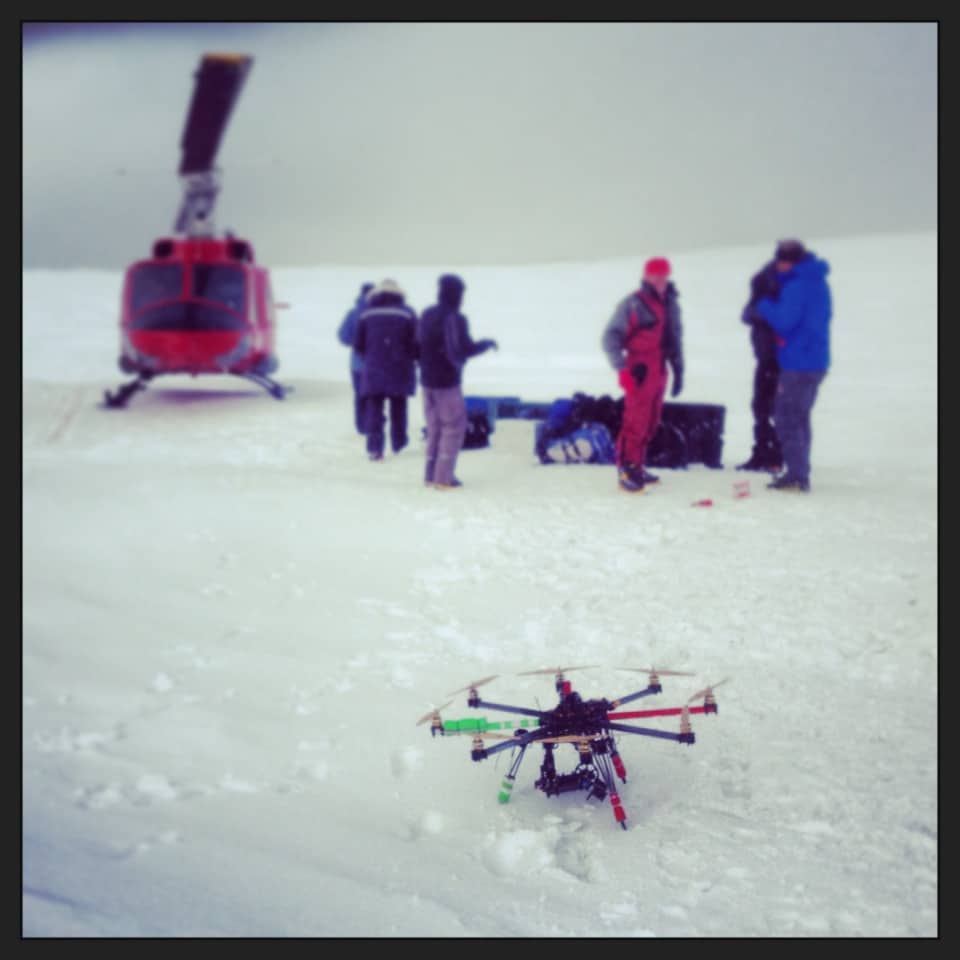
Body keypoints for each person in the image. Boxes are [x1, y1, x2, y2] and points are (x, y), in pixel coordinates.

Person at [753, 239, 831, 492]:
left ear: (792, 261)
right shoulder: (817, 282)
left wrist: (764, 304)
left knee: (787, 417)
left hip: (798, 363)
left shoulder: (797, 287)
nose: (780, 265)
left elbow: (784, 321)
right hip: (815, 360)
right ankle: (800, 470)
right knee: (800, 416)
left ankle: (797, 475)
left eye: (783, 260)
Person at [601, 257, 684, 493]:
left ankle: (638, 465)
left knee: (651, 421)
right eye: (654, 274)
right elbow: (610, 338)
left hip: (660, 369)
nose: (659, 279)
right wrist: (622, 368)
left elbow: (675, 338)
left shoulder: (671, 303)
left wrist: (678, 370)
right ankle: (626, 470)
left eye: (663, 274)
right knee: (635, 422)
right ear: (646, 276)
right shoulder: (634, 303)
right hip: (640, 369)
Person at [416, 273, 498, 489]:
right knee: (452, 427)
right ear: (457, 294)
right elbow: (464, 349)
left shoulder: (427, 314)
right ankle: (443, 478)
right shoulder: (456, 318)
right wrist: (486, 344)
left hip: (426, 380)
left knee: (434, 428)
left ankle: (430, 475)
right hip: (447, 382)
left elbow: (416, 346)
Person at [353, 278, 419, 461]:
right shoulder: (407, 313)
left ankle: (375, 449)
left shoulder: (366, 314)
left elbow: (358, 345)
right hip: (400, 368)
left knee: (374, 409)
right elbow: (416, 343)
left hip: (374, 368)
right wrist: (410, 356)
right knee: (399, 407)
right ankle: (399, 444)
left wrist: (372, 355)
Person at [736, 259, 784, 472]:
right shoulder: (760, 295)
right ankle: (762, 452)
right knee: (760, 407)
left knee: (777, 408)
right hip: (764, 359)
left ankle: (776, 455)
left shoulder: (786, 294)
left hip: (781, 360)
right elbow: (746, 315)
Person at [337, 281, 374, 435]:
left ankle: (361, 426)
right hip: (376, 363)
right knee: (374, 396)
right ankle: (373, 423)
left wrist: (355, 341)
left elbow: (342, 337)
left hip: (356, 363)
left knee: (360, 395)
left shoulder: (353, 313)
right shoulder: (377, 312)